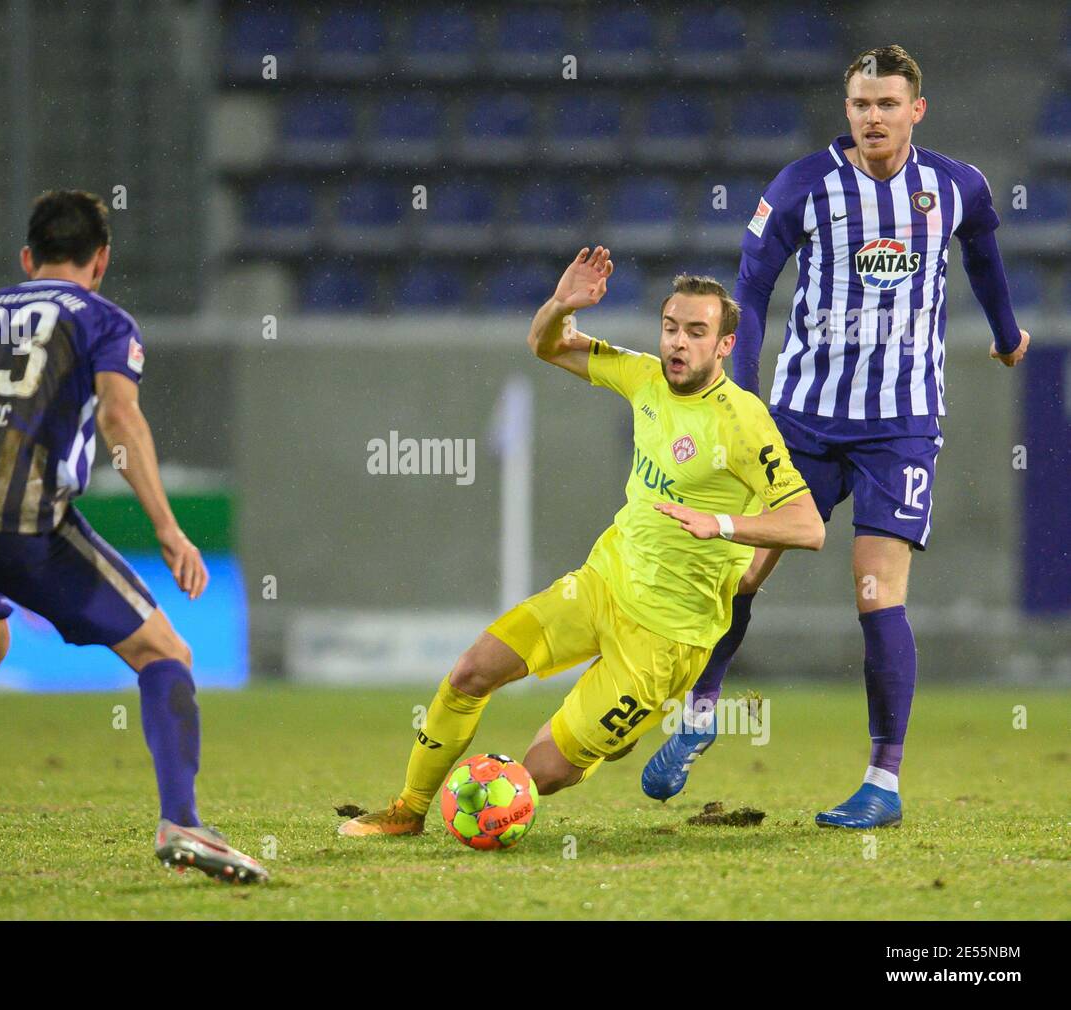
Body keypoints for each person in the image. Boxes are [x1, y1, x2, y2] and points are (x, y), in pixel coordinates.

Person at [643, 45, 1031, 829]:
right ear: (845, 110)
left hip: (901, 425)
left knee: (875, 594)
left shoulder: (955, 186)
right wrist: (741, 393)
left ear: (915, 110)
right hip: (803, 420)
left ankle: (881, 783)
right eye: (860, 105)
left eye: (888, 104)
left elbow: (984, 252)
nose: (873, 118)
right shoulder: (804, 186)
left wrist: (1006, 331)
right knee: (740, 574)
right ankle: (699, 715)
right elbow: (751, 288)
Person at [339, 248, 824, 837]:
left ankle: (598, 741)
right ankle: (408, 811)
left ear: (724, 345)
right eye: (671, 328)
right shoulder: (644, 375)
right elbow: (547, 345)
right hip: (602, 585)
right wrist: (560, 304)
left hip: (667, 639)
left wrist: (720, 524)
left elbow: (807, 525)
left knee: (542, 771)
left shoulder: (743, 421)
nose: (677, 343)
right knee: (472, 672)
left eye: (696, 332)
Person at [0, 190, 267, 883]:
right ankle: (183, 821)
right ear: (100, 261)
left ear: (27, 258)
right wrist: (167, 529)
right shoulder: (103, 319)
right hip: (22, 522)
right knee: (163, 649)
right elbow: (119, 420)